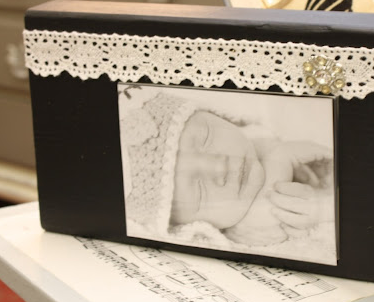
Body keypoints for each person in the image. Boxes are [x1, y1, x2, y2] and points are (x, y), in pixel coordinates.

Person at [120, 89, 335, 248]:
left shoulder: (257, 131)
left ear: (216, 115)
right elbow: (273, 209)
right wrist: (282, 158)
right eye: (199, 191)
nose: (219, 167)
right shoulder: (248, 223)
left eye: (206, 137)